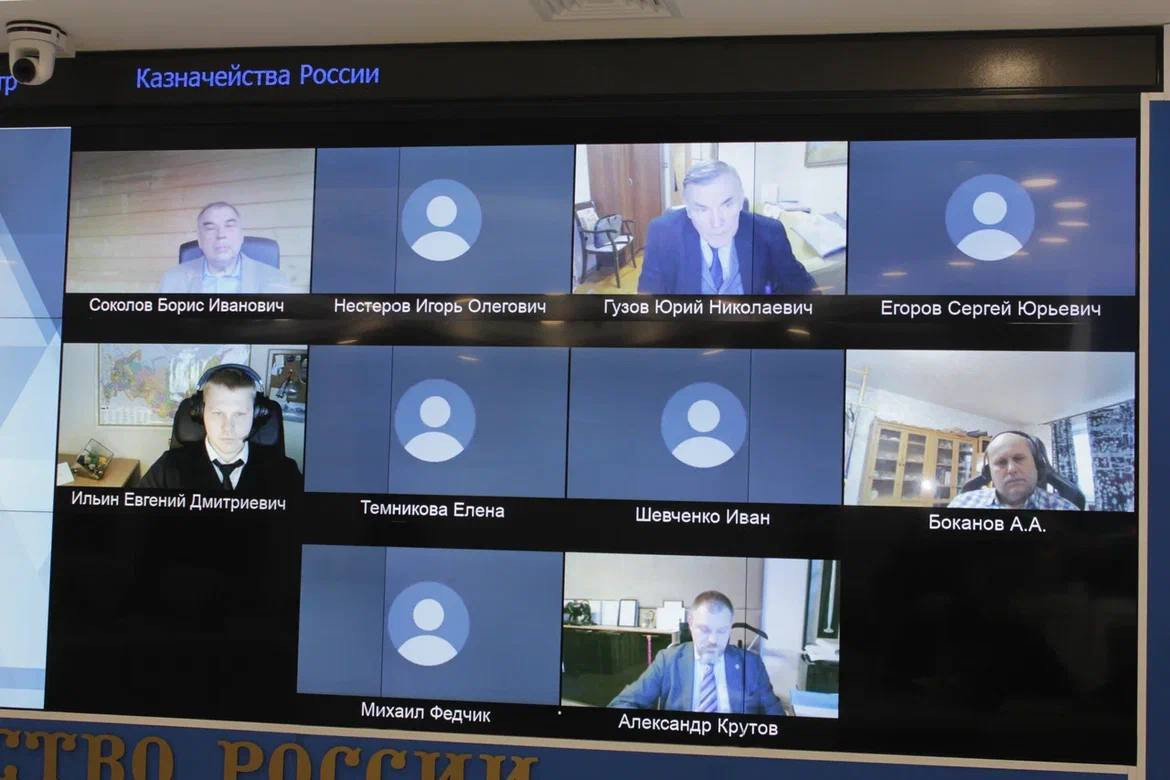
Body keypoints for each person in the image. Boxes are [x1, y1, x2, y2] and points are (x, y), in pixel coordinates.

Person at [637, 161, 816, 296]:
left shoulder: (769, 232)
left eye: (727, 204)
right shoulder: (662, 233)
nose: (716, 223)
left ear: (741, 201)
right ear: (689, 210)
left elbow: (805, 290)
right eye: (702, 209)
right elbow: (648, 303)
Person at [608, 591, 784, 715]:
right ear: (691, 623)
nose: (713, 640)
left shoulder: (751, 664)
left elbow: (775, 717)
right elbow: (621, 704)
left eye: (722, 630)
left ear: (731, 625)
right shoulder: (667, 661)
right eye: (704, 629)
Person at [139, 365, 302, 492]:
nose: (228, 427)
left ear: (257, 414)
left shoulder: (285, 472)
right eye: (217, 413)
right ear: (200, 412)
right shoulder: (167, 469)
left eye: (240, 414)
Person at [159, 202, 295, 294]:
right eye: (210, 228)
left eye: (229, 226)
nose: (221, 235)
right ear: (199, 240)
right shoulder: (172, 279)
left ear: (241, 236)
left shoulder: (275, 280)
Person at [947, 431, 1080, 510]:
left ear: (1037, 466)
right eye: (1001, 462)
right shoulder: (961, 504)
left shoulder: (1067, 509)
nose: (1011, 469)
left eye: (1019, 459)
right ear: (988, 473)